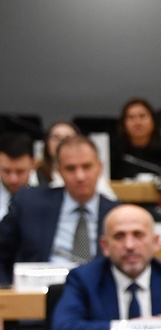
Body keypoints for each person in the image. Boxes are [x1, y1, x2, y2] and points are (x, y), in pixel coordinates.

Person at [0, 135, 118, 284]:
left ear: (100, 167)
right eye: (70, 168)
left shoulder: (117, 214)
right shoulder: (28, 204)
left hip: (98, 297)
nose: (80, 176)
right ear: (59, 171)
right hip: (39, 295)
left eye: (86, 167)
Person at [109, 98, 161, 180]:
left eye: (142, 116)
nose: (137, 122)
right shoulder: (115, 155)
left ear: (153, 121)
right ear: (123, 124)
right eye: (131, 117)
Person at [0, 133, 38, 220]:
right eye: (7, 171)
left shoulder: (48, 192)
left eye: (20, 171)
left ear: (34, 164)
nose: (13, 179)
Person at [35, 121, 80, 187]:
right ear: (47, 142)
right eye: (56, 137)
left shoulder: (90, 173)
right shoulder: (34, 173)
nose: (61, 142)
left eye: (68, 138)